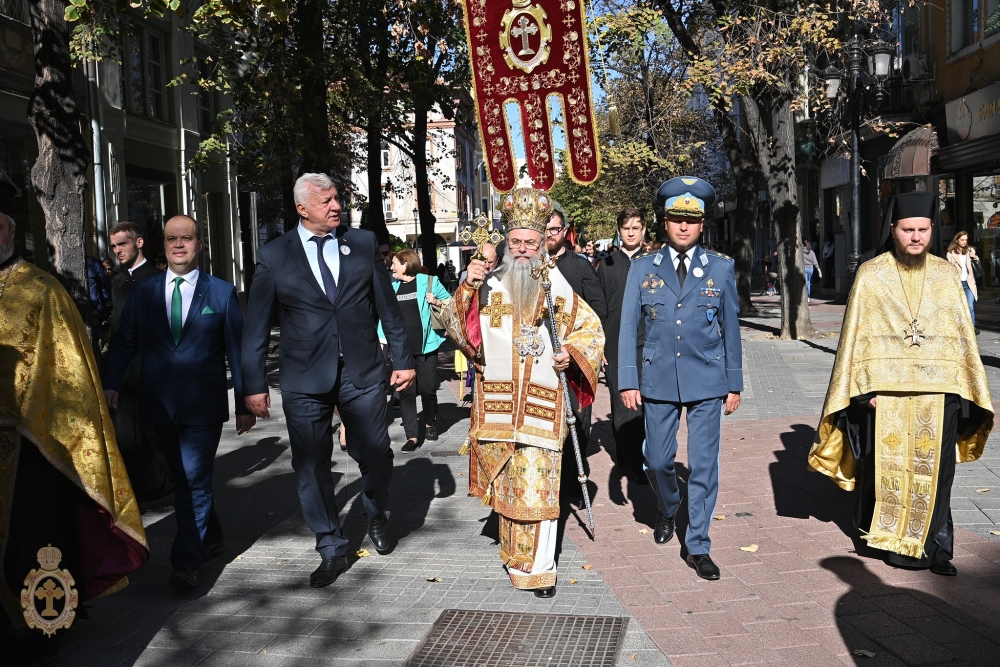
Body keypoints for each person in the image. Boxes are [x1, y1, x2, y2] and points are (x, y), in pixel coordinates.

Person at [241, 173, 414, 589]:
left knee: (375, 452)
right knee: (311, 465)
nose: (336, 206)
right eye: (326, 201)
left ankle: (375, 509)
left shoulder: (363, 243)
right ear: (302, 209)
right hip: (303, 378)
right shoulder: (274, 255)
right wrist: (253, 382)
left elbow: (387, 308)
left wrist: (403, 358)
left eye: (337, 198)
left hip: (363, 370)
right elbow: (256, 325)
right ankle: (331, 547)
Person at [809, 192, 994, 576]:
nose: (915, 237)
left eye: (923, 230)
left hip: (939, 395)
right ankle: (887, 542)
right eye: (908, 230)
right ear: (893, 229)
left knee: (937, 474)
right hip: (885, 398)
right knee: (885, 468)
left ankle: (938, 549)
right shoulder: (871, 274)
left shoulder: (945, 275)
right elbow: (854, 340)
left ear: (932, 231)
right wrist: (862, 393)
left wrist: (962, 392)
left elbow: (961, 338)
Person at [0, 185, 148, 657]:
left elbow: (70, 375)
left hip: (34, 447)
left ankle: (47, 626)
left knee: (37, 539)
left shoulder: (40, 289)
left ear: (11, 230)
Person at [442, 188, 604, 598]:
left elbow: (590, 330)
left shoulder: (558, 286)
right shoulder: (490, 283)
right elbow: (464, 339)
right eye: (515, 242)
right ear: (507, 242)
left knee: (542, 488)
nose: (523, 249)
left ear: (543, 242)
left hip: (541, 406)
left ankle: (541, 569)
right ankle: (517, 560)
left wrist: (572, 354)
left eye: (531, 243)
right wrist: (466, 289)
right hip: (497, 408)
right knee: (511, 488)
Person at [103, 215, 255, 590]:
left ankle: (185, 564)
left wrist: (246, 403)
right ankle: (212, 535)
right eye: (172, 238)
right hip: (156, 404)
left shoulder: (220, 293)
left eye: (186, 238)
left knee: (194, 481)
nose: (179, 244)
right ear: (163, 245)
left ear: (199, 244)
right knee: (184, 482)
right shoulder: (144, 293)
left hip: (202, 407)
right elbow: (124, 343)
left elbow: (237, 349)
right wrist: (109, 384)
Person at [618, 176, 743, 581]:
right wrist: (627, 380)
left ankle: (698, 545)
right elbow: (627, 329)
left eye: (691, 220)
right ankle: (669, 507)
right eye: (675, 219)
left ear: (702, 224)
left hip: (707, 378)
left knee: (704, 466)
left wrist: (734, 382)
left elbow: (731, 328)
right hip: (657, 378)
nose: (683, 227)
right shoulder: (642, 269)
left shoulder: (721, 269)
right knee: (656, 460)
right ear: (665, 222)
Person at [107, 221, 175, 502]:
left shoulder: (157, 279)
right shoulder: (119, 280)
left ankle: (165, 484)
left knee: (153, 429)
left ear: (139, 242)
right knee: (125, 430)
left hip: (150, 365)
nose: (117, 251)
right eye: (113, 246)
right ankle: (143, 486)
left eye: (122, 244)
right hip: (123, 366)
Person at [545, 203, 608, 495]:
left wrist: (584, 343)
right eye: (544, 229)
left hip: (575, 354)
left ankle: (576, 478)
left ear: (565, 231)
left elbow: (598, 308)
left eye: (554, 229)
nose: (549, 234)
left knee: (579, 420)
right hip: (543, 357)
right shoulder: (532, 266)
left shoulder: (579, 265)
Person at [597, 208, 649, 485]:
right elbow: (600, 309)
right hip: (615, 343)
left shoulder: (654, 262)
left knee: (646, 403)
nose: (631, 232)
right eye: (626, 228)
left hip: (648, 342)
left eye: (636, 227)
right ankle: (626, 458)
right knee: (621, 403)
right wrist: (601, 347)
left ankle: (643, 460)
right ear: (618, 230)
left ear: (643, 231)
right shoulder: (606, 265)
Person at [381, 249, 451, 452]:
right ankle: (411, 436)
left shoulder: (429, 282)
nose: (391, 267)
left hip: (426, 345)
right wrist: (382, 340)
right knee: (406, 392)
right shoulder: (392, 287)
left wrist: (436, 301)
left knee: (428, 388)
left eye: (395, 263)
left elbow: (451, 305)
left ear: (406, 264)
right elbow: (385, 317)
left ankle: (430, 423)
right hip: (402, 350)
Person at [946, 231, 979, 333]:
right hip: (958, 284)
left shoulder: (970, 251)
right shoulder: (951, 253)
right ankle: (959, 328)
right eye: (962, 240)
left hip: (969, 284)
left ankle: (972, 328)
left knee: (970, 305)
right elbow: (949, 269)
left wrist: (975, 257)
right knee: (958, 307)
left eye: (966, 240)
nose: (964, 242)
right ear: (957, 240)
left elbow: (977, 264)